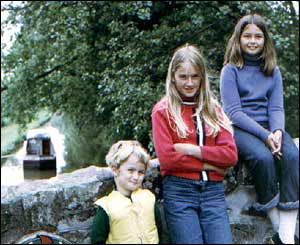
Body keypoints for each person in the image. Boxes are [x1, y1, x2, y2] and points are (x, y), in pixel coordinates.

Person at [220, 14, 299, 244]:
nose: (253, 41)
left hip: (270, 128)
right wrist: (265, 137)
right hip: (242, 129)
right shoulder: (230, 71)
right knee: (262, 158)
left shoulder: (272, 71)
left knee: (292, 155)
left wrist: (276, 131)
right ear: (238, 39)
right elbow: (233, 112)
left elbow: (276, 107)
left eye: (258, 36)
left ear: (265, 40)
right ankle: (277, 225)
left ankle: (285, 235)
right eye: (247, 36)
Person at [151, 43, 238, 244]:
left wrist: (192, 150)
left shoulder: (213, 110)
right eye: (183, 77)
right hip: (180, 193)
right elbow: (168, 160)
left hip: (213, 192)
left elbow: (230, 155)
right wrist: (211, 164)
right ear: (173, 76)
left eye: (195, 76)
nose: (189, 83)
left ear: (202, 77)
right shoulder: (163, 111)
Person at [90, 140, 160, 244]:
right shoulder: (106, 207)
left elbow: (160, 231)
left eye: (141, 172)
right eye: (130, 170)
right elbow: (97, 240)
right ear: (115, 170)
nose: (136, 177)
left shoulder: (149, 199)